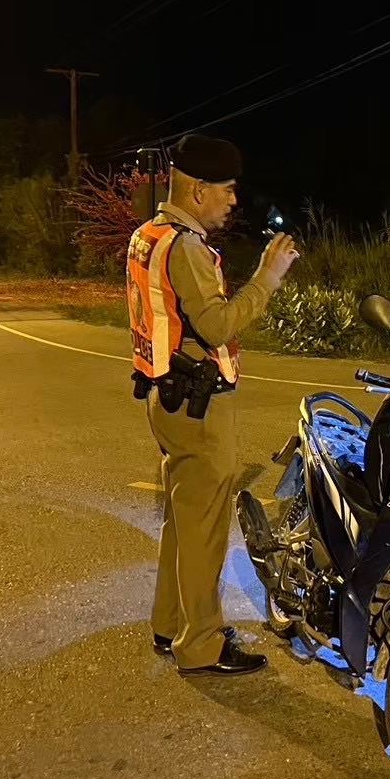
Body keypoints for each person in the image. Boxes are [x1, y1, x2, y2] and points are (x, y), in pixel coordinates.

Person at [126, 133, 299, 676]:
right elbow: (217, 324)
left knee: (184, 521)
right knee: (203, 529)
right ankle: (200, 644)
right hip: (198, 404)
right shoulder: (187, 248)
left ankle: (170, 623)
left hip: (164, 394)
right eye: (226, 190)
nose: (233, 200)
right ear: (198, 190)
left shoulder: (148, 235)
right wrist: (267, 277)